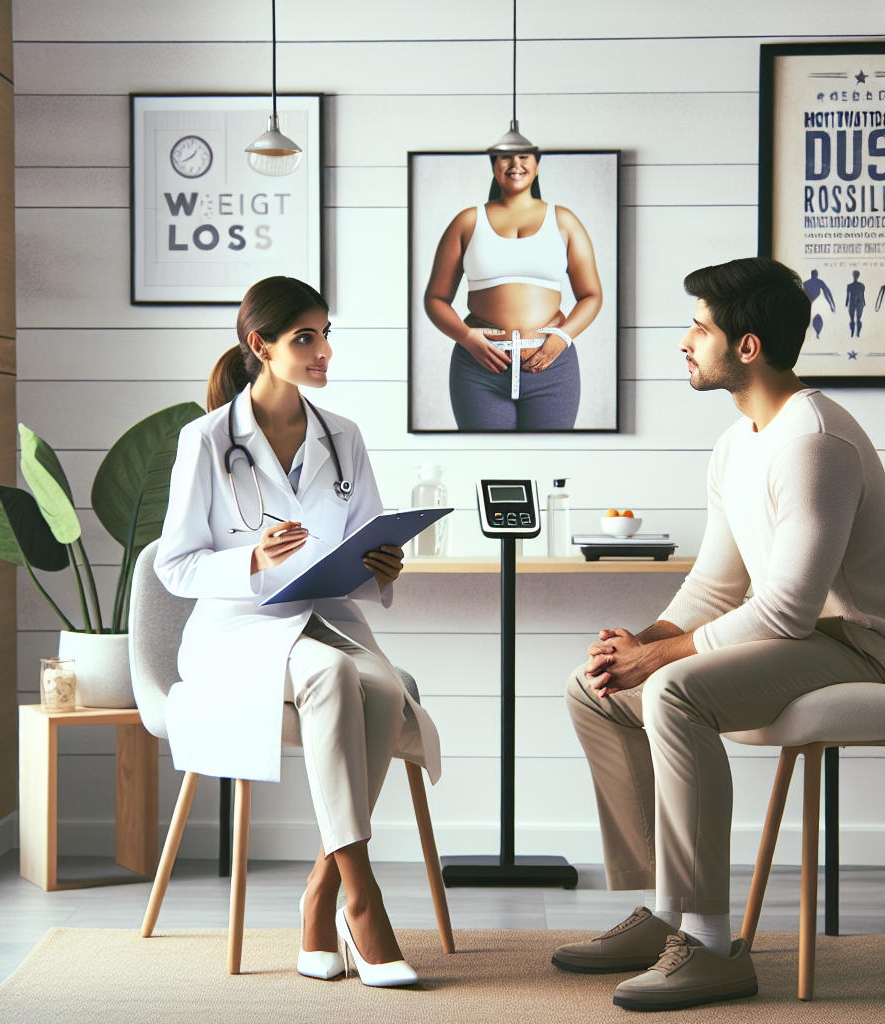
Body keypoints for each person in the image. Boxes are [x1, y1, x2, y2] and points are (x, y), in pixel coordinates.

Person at [553, 257, 885, 1011]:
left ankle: (710, 945)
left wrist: (659, 658)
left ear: (747, 346)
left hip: (863, 644)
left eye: (698, 327)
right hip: (809, 639)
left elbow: (789, 611)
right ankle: (668, 909)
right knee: (595, 688)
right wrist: (639, 640)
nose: (684, 342)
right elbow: (716, 586)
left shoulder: (815, 440)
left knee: (671, 689)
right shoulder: (739, 443)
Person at [156, 276, 441, 988]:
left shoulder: (342, 437)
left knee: (382, 687)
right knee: (336, 675)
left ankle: (320, 891)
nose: (323, 351)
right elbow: (175, 567)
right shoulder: (206, 440)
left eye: (325, 333)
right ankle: (363, 900)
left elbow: (365, 541)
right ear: (262, 346)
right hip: (237, 629)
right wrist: (249, 559)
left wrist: (383, 563)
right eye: (305, 338)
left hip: (324, 616)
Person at [424, 150, 602, 430]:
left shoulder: (564, 220)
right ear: (494, 166)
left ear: (537, 165)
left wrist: (562, 339)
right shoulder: (467, 221)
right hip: (478, 370)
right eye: (505, 158)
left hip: (552, 369)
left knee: (550, 463)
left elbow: (592, 295)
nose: (515, 165)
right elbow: (435, 299)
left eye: (524, 157)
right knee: (487, 466)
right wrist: (467, 338)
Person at [846, 269, 865, 337]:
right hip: (858, 303)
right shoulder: (860, 285)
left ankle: (855, 333)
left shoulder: (850, 286)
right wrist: (864, 302)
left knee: (854, 319)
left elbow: (862, 295)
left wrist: (846, 303)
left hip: (854, 303)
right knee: (855, 319)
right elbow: (862, 296)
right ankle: (855, 333)